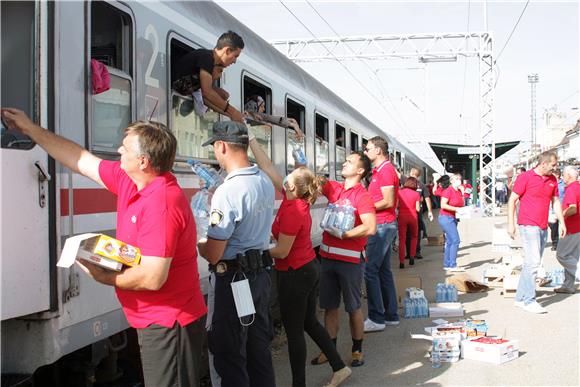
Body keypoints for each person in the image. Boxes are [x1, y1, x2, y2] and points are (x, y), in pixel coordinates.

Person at [1, 108, 207, 386]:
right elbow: (79, 159)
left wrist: (103, 275)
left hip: (169, 322)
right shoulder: (131, 181)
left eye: (126, 148)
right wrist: (30, 129)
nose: (119, 150)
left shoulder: (162, 203)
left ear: (143, 161)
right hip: (154, 318)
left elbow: (152, 276)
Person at [247, 128, 352, 387]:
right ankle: (339, 367)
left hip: (294, 273)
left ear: (292, 185)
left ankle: (299, 385)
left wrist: (255, 250)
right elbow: (267, 165)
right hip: (305, 268)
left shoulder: (293, 210)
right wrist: (251, 138)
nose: (284, 177)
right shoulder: (292, 198)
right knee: (309, 324)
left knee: (295, 333)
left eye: (289, 176)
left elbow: (282, 251)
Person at [197, 121, 276, 387]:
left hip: (234, 280)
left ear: (221, 146)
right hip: (257, 277)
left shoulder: (227, 191)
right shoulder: (263, 180)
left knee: (229, 352)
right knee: (257, 348)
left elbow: (214, 253)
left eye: (215, 149)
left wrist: (200, 242)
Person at [311, 151, 376, 368]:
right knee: (329, 307)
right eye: (345, 160)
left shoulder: (362, 196)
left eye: (350, 161)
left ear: (360, 170)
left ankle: (357, 350)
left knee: (353, 308)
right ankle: (329, 351)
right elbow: (313, 182)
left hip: (350, 261)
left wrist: (345, 234)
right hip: (328, 257)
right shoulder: (335, 188)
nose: (344, 163)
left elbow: (370, 226)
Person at [507, 151, 566, 314]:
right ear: (543, 164)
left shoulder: (552, 180)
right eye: (553, 165)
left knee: (531, 263)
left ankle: (520, 298)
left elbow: (555, 202)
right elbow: (512, 200)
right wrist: (510, 224)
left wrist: (562, 222)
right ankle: (529, 300)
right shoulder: (525, 177)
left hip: (542, 225)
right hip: (527, 224)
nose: (555, 168)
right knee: (534, 263)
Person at [362, 136, 399, 333]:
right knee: (383, 271)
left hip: (382, 226)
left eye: (368, 149)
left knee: (370, 271)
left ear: (378, 150)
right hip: (383, 225)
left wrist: (364, 208)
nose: (365, 152)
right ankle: (391, 315)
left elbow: (388, 201)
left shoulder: (385, 171)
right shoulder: (381, 171)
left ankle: (376, 317)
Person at [173, 31, 245, 122]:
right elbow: (207, 92)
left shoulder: (208, 60)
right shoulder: (207, 58)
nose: (234, 61)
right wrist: (233, 112)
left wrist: (231, 115)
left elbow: (206, 99)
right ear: (227, 50)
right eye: (235, 56)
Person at [554, 166, 580, 294]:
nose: (562, 177)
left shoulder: (571, 188)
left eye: (564, 174)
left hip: (572, 228)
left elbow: (573, 208)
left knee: (562, 255)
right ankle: (568, 285)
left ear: (569, 176)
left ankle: (575, 278)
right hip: (577, 227)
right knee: (572, 256)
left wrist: (561, 214)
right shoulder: (578, 187)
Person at [438, 174, 465, 270]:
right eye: (457, 179)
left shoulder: (458, 191)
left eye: (460, 179)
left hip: (453, 218)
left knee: (450, 241)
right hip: (446, 218)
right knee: (455, 240)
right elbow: (443, 205)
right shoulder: (448, 191)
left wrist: (462, 192)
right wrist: (456, 209)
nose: (459, 180)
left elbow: (461, 203)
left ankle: (447, 264)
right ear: (451, 181)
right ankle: (453, 265)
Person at [406, 167, 434, 260]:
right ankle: (416, 251)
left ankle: (410, 252)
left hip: (409, 212)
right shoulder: (421, 185)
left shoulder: (408, 183)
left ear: (411, 173)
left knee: (409, 234)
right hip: (417, 212)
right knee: (415, 233)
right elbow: (427, 199)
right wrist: (430, 211)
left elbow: (426, 198)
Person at [397, 177, 421, 269]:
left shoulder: (399, 192)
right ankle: (412, 257)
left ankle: (402, 262)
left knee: (402, 239)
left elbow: (397, 205)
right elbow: (418, 209)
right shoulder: (416, 194)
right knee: (414, 237)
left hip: (402, 217)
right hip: (413, 217)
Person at [548, 169, 566, 251]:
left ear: (557, 175)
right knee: (553, 227)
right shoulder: (550, 183)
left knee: (563, 225)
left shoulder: (564, 183)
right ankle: (555, 243)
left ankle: (564, 243)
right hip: (553, 208)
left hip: (563, 207)